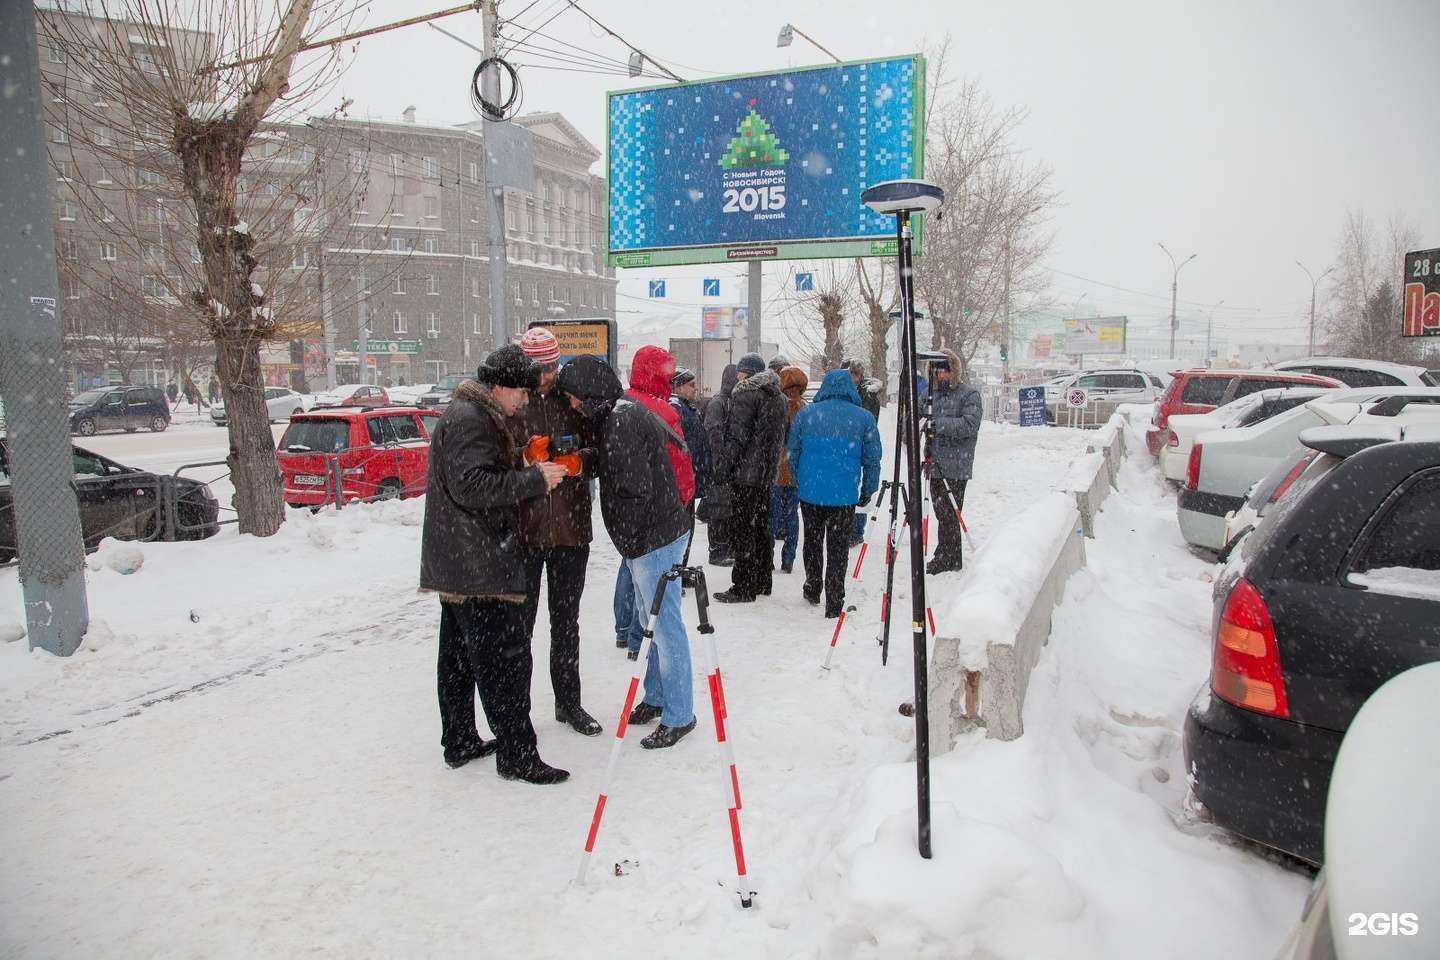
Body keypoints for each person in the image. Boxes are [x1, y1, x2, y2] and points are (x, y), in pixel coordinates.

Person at [420, 345, 571, 784]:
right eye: (521, 393)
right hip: (478, 562)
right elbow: (470, 486)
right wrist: (533, 478)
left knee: (460, 658)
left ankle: (461, 739)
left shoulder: (468, 412)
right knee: (505, 661)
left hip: (459, 561)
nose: (525, 401)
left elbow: (472, 474)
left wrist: (519, 460)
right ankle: (518, 755)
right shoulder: (470, 418)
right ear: (499, 386)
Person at [557, 352, 698, 750]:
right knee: (649, 621)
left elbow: (635, 488)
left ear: (589, 395)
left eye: (573, 398)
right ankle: (656, 696)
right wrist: (583, 461)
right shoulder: (619, 415)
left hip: (654, 539)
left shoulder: (620, 421)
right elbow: (615, 465)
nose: (571, 406)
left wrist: (631, 541)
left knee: (665, 627)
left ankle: (680, 714)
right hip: (654, 535)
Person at [509, 327, 603, 737]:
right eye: (539, 368)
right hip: (526, 533)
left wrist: (578, 462)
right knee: (520, 628)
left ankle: (569, 703)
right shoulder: (512, 402)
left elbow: (602, 451)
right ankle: (518, 711)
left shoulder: (574, 400)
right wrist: (524, 456)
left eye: (551, 366)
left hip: (571, 529)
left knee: (566, 622)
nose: (547, 376)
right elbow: (493, 464)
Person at [787, 369, 883, 617]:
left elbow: (793, 452)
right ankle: (834, 599)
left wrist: (801, 480)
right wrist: (868, 489)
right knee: (838, 548)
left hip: (811, 493)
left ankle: (812, 586)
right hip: (844, 495)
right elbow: (872, 459)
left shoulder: (806, 415)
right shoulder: (863, 418)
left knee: (813, 540)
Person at [714, 353, 786, 604]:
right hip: (766, 474)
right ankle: (763, 580)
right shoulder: (777, 397)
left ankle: (743, 586)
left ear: (749, 373)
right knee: (762, 528)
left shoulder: (744, 394)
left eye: (741, 371)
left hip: (746, 475)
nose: (737, 375)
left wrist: (723, 468)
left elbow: (737, 437)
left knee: (742, 530)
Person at [926, 349, 983, 574]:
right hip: (934, 463)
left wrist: (937, 424)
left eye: (945, 370)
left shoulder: (969, 395)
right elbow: (918, 412)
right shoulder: (932, 395)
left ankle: (948, 557)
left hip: (956, 465)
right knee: (942, 513)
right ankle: (946, 555)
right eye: (938, 370)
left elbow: (969, 425)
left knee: (949, 513)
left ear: (954, 371)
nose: (941, 375)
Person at [771, 365, 809, 574]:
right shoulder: (804, 408)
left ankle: (768, 557)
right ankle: (788, 558)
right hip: (796, 472)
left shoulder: (777, 405)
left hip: (776, 471)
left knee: (772, 517)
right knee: (792, 516)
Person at [842, 358, 884, 547]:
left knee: (861, 490)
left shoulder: (868, 394)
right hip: (845, 445)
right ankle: (846, 528)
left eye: (855, 374)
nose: (853, 378)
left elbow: (870, 421)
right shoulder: (846, 391)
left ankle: (856, 531)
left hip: (859, 444)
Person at [702, 363, 740, 567]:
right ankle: (717, 550)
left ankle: (725, 548)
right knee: (718, 508)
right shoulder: (719, 403)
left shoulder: (732, 401)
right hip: (720, 465)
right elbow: (714, 433)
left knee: (727, 508)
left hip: (729, 464)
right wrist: (720, 462)